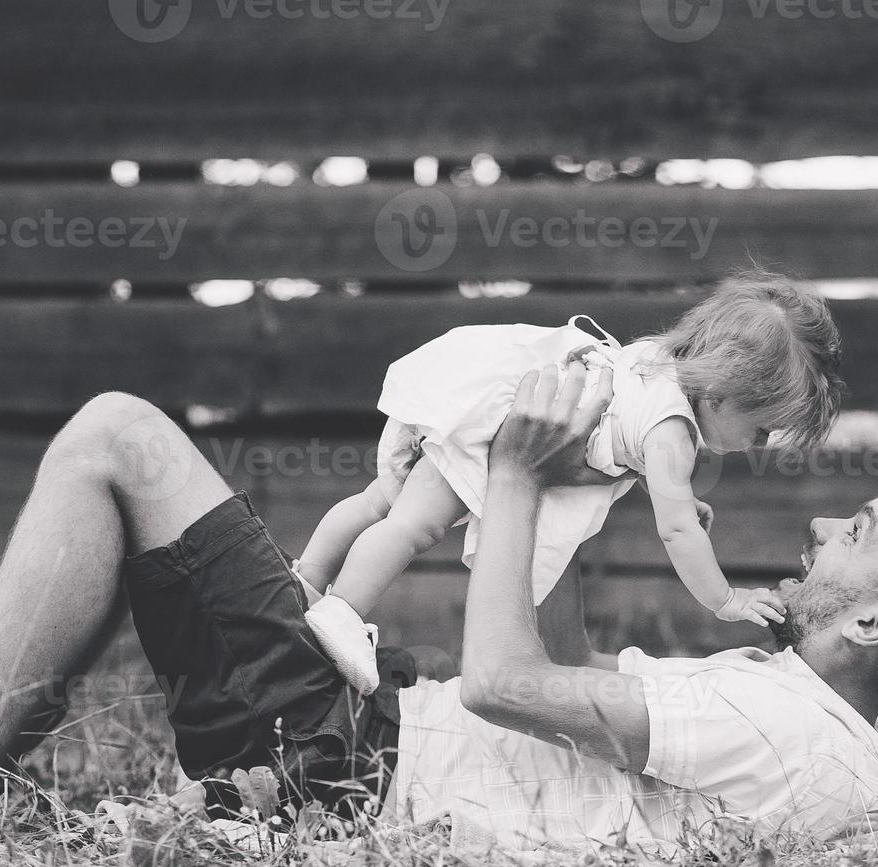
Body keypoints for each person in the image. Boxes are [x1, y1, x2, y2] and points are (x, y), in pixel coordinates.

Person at [0, 361, 878, 852]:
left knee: (117, 433)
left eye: (857, 533)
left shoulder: (794, 731)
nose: (817, 523)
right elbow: (565, 677)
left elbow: (506, 686)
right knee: (134, 458)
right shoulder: (791, 711)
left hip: (344, 759)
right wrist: (575, 497)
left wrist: (516, 479)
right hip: (358, 729)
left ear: (876, 627)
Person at [297, 271, 846, 693]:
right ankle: (341, 615)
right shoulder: (674, 434)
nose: (760, 446)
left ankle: (307, 580)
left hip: (488, 397)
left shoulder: (659, 366)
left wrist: (678, 492)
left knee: (377, 503)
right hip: (502, 433)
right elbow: (678, 533)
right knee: (412, 528)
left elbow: (629, 432)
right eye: (761, 429)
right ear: (723, 394)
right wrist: (725, 599)